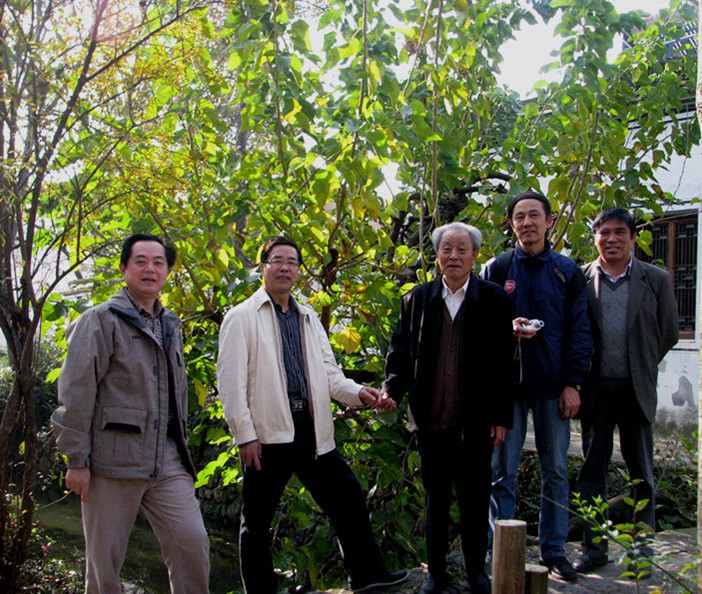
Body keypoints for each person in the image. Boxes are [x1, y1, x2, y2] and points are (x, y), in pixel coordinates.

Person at [216, 236, 409, 594]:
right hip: (268, 435)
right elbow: (230, 384)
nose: (285, 267)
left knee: (347, 498)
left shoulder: (307, 317)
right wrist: (245, 435)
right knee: (256, 522)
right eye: (277, 260)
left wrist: (359, 394)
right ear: (262, 266)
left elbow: (329, 374)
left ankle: (367, 576)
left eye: (292, 262)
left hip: (311, 429)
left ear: (299, 271)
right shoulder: (240, 317)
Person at [51, 234, 210, 594]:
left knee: (192, 543)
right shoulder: (100, 320)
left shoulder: (171, 325)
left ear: (167, 271)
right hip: (112, 460)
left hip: (166, 459)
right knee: (104, 567)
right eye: (140, 261)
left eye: (158, 262)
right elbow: (76, 393)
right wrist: (76, 460)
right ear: (124, 268)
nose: (150, 269)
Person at [384, 222, 514, 594]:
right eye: (447, 249)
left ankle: (476, 572)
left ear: (475, 256)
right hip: (431, 419)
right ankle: (436, 573)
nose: (453, 256)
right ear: (437, 255)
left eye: (462, 250)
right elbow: (400, 353)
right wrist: (391, 389)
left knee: (475, 500)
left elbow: (505, 363)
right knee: (436, 500)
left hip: (476, 420)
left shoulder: (494, 299)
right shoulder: (417, 299)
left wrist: (501, 415)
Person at [482, 191, 592, 582]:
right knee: (502, 472)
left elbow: (580, 330)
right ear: (511, 224)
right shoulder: (497, 268)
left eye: (534, 216)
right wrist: (505, 330)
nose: (527, 223)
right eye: (519, 217)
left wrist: (573, 383)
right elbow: (479, 329)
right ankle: (501, 553)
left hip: (553, 387)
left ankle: (554, 551)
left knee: (556, 470)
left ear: (549, 221)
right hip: (507, 389)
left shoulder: (566, 271)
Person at [574, 208, 679, 574]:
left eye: (620, 232)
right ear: (595, 238)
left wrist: (639, 363)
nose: (612, 239)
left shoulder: (656, 279)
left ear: (633, 237)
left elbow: (669, 332)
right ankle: (594, 549)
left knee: (641, 474)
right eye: (604, 232)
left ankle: (642, 552)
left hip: (636, 390)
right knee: (593, 473)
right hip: (595, 392)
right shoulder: (581, 279)